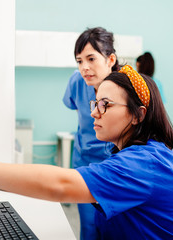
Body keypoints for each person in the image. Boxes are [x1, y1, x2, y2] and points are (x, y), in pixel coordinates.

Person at [0, 65, 173, 239]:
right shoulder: (134, 154)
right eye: (95, 102)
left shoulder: (144, 163)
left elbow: (60, 185)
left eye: (105, 105)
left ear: (137, 115)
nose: (94, 112)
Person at [63, 27, 119, 239]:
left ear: (110, 59)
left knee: (113, 226)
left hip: (115, 165)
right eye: (79, 61)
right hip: (85, 162)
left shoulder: (125, 87)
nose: (84, 67)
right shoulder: (77, 81)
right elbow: (72, 103)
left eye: (91, 59)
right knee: (88, 227)